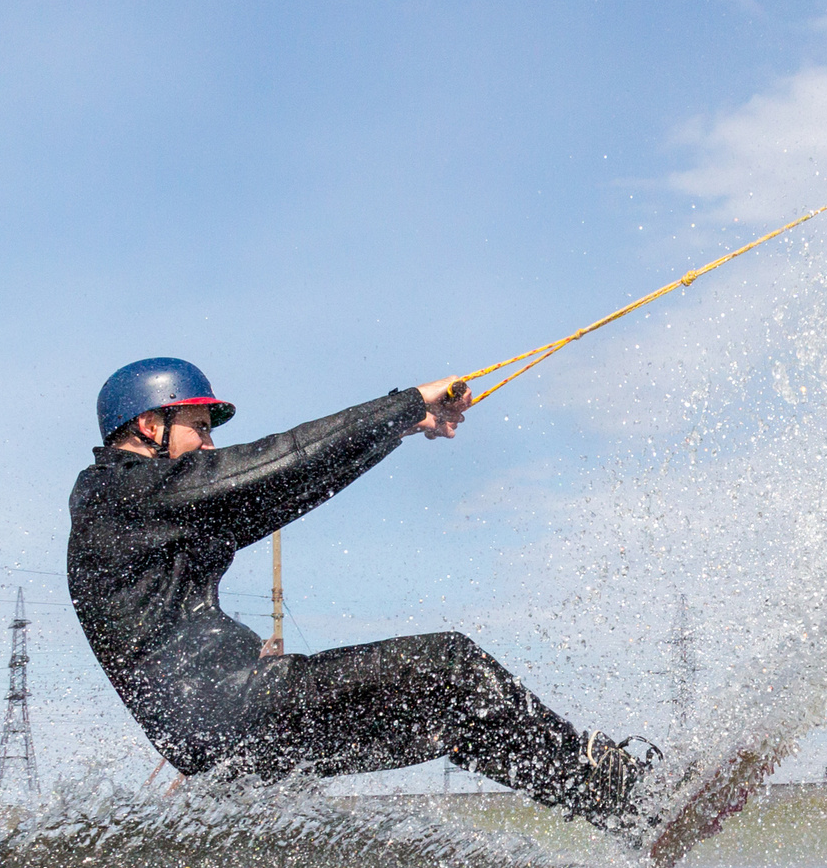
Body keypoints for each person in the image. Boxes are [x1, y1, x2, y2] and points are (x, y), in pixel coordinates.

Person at [67, 356, 658, 839]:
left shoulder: (154, 506)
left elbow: (288, 484)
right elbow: (270, 463)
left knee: (456, 709)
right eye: (201, 426)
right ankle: (625, 792)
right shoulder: (116, 491)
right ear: (151, 426)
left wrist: (399, 430)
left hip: (218, 728)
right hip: (227, 710)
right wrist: (405, 403)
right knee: (450, 662)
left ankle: (632, 814)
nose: (211, 443)